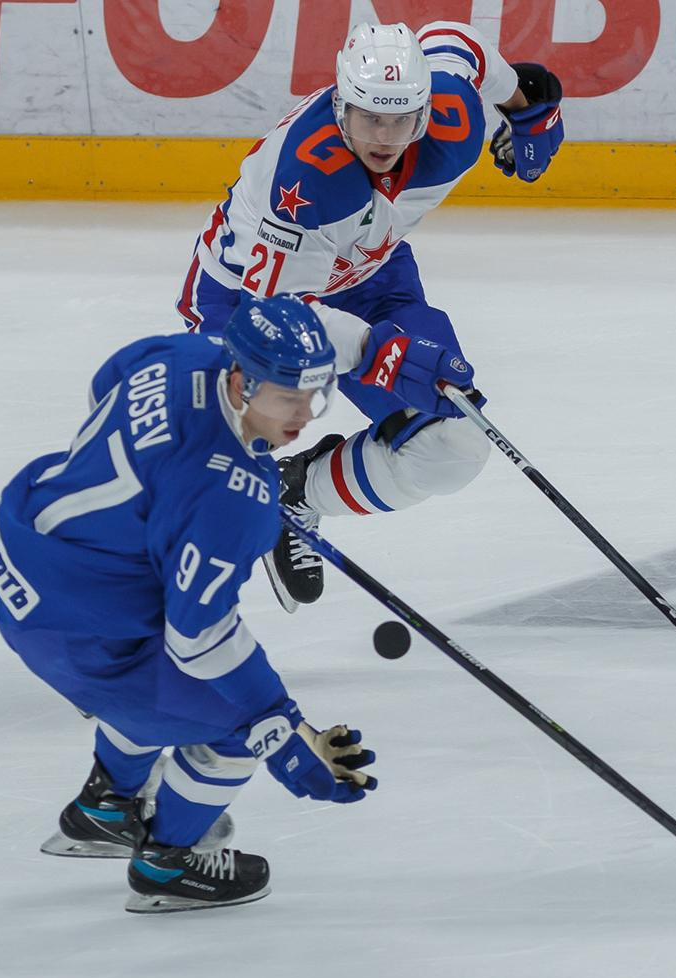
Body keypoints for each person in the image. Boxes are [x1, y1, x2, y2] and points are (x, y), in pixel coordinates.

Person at [0, 295, 381, 913]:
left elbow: (106, 384)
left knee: (154, 660)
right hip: (71, 626)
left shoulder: (185, 354)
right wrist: (284, 730)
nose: (305, 416)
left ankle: (106, 806)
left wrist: (174, 488)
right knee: (231, 720)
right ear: (242, 380)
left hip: (22, 543)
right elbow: (201, 638)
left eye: (315, 395)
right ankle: (167, 864)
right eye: (288, 397)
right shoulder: (232, 495)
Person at [174, 20, 565, 611]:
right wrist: (381, 353)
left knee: (454, 446)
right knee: (205, 478)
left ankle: (298, 495)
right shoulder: (309, 178)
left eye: (402, 119)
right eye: (369, 119)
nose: (385, 137)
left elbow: (457, 42)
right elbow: (282, 318)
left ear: (426, 110)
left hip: (372, 278)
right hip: (247, 309)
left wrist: (522, 107)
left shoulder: (452, 114)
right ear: (340, 104)